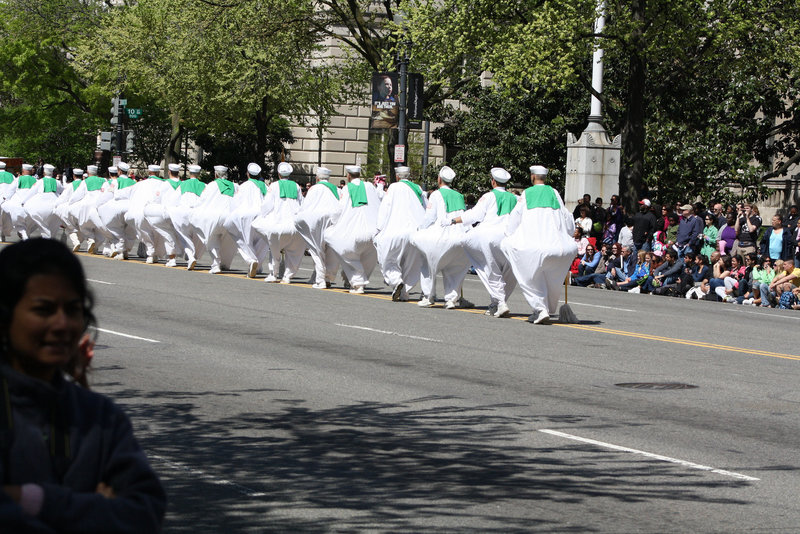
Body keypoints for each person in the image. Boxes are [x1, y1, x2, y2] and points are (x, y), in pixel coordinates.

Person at [0, 238, 166, 532]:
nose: (62, 324)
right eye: (43, 310)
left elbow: (144, 512)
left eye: (73, 310)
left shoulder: (101, 418)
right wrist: (96, 508)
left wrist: (32, 499)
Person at [501, 165, 577, 324]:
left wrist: (509, 235)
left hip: (535, 247)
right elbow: (568, 219)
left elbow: (515, 217)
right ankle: (547, 308)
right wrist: (567, 235)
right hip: (561, 248)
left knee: (526, 276)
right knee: (551, 279)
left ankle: (540, 309)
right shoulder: (554, 192)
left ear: (532, 176)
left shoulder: (527, 193)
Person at [449, 167, 518, 317]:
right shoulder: (515, 198)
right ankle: (496, 303)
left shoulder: (488, 196)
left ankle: (500, 302)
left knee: (489, 270)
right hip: (509, 238)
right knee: (508, 272)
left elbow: (474, 215)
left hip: (489, 237)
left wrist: (454, 220)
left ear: (493, 181)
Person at [411, 166, 471, 308]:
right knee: (454, 270)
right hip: (459, 237)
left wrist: (420, 229)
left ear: (439, 179)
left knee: (428, 265)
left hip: (442, 236)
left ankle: (429, 296)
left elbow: (430, 217)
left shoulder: (436, 194)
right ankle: (451, 299)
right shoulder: (459, 195)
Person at [324, 165, 381, 294]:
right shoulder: (370, 186)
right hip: (373, 230)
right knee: (369, 256)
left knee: (346, 253)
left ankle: (358, 283)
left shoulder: (347, 188)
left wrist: (333, 222)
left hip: (353, 231)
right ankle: (357, 280)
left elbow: (339, 210)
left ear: (348, 176)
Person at [373, 166, 427, 302]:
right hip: (416, 232)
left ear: (397, 177)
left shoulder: (393, 188)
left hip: (395, 231)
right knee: (410, 263)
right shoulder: (418, 189)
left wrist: (379, 229)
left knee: (388, 259)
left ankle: (396, 281)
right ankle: (404, 293)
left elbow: (385, 208)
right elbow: (426, 207)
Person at [252, 162, 306, 283]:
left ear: (278, 174)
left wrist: (262, 215)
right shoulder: (297, 186)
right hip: (295, 226)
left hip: (278, 225)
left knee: (274, 248)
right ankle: (288, 276)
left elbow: (267, 205)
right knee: (294, 252)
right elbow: (302, 204)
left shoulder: (274, 186)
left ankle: (273, 273)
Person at [294, 166, 342, 289]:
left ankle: (320, 279)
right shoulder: (336, 189)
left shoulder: (314, 188)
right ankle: (328, 278)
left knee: (317, 250)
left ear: (317, 177)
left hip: (316, 220)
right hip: (332, 219)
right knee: (330, 249)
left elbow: (306, 206)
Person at [224, 163, 269, 278]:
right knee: (263, 241)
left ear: (248, 174)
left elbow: (236, 202)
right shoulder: (266, 187)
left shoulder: (243, 186)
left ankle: (251, 260)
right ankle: (257, 265)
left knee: (240, 237)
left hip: (245, 215)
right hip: (262, 216)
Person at [97, 162, 137, 260]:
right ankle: (126, 249)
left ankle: (120, 249)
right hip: (131, 206)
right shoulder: (134, 182)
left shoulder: (115, 181)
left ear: (119, 171)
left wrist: (99, 205)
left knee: (114, 227)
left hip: (118, 207)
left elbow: (109, 195)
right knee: (130, 229)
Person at [24, 164, 64, 240]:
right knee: (54, 224)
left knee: (40, 221)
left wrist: (23, 202)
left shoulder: (40, 181)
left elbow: (31, 192)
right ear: (52, 173)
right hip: (54, 204)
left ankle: (46, 237)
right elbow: (63, 191)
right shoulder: (57, 182)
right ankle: (50, 239)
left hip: (40, 204)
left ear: (44, 173)